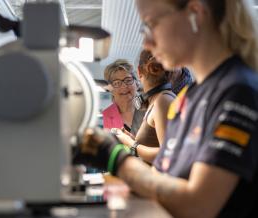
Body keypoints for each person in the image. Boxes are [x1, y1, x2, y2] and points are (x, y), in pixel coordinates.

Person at [74, 0, 258, 217]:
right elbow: (163, 177)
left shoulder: (236, 92)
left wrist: (114, 157)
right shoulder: (190, 97)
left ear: (195, 14)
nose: (147, 41)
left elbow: (198, 205)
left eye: (151, 24)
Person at [113, 50, 176, 163]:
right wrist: (131, 138)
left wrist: (131, 144)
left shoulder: (163, 101)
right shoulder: (158, 100)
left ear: (138, 72)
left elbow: (168, 155)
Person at [102, 59, 145, 135]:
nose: (124, 86)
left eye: (128, 80)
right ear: (111, 89)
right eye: (117, 83)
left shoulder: (149, 108)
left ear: (137, 83)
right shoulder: (106, 115)